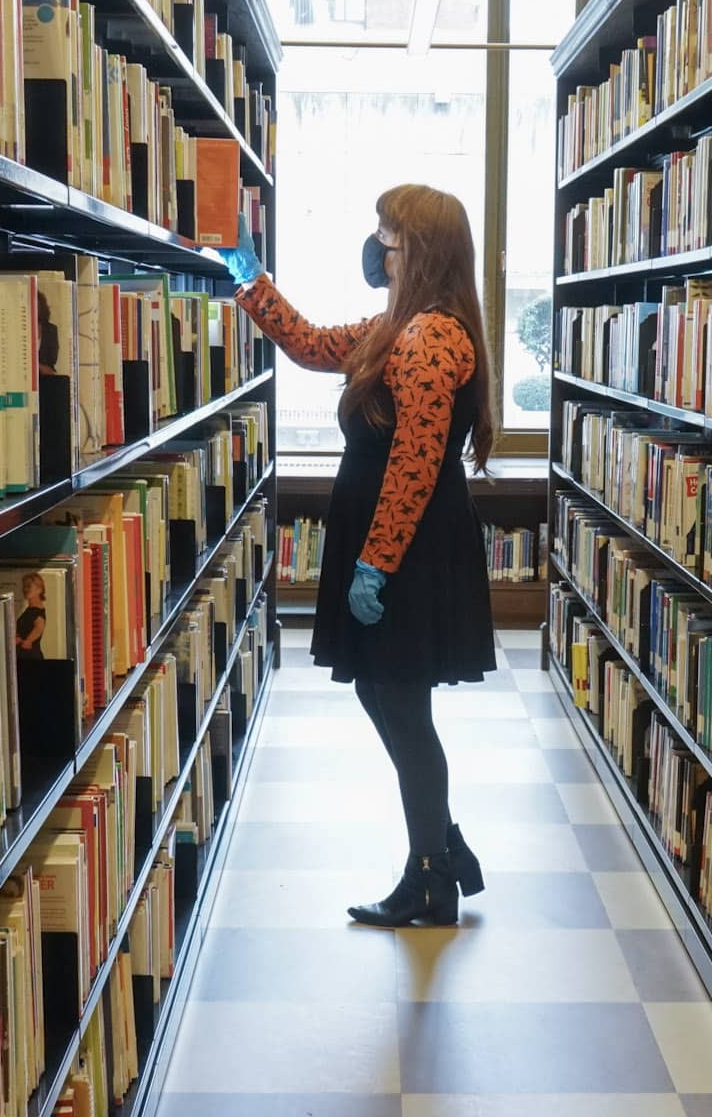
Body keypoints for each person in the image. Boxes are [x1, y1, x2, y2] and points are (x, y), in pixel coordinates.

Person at [218, 184, 498, 927]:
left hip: (407, 552)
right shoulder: (395, 327)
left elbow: (413, 463)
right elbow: (311, 344)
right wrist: (250, 280)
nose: (376, 248)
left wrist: (377, 564)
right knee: (386, 696)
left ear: (419, 249)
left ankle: (431, 877)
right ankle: (441, 844)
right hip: (394, 545)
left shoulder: (434, 338)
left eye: (387, 235)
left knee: (402, 702)